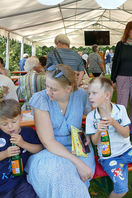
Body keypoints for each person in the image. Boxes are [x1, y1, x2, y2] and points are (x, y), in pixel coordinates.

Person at [25, 64, 95, 198]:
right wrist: (78, 163)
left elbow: (98, 117)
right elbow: (48, 141)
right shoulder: (41, 99)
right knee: (60, 176)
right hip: (50, 151)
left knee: (75, 179)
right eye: (47, 86)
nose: (47, 92)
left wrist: (88, 132)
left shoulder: (82, 95)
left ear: (68, 89)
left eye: (53, 89)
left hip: (78, 147)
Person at [86, 77, 132, 198]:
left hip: (127, 150)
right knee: (121, 189)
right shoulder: (91, 117)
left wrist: (114, 123)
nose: (90, 97)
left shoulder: (120, 110)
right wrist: (99, 130)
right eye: (89, 93)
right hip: (108, 157)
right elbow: (94, 141)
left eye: (94, 93)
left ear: (107, 95)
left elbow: (126, 134)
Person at [0, 97, 42, 198]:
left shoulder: (28, 132)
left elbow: (39, 149)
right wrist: (5, 154)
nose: (10, 127)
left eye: (14, 122)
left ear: (21, 117)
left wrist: (23, 144)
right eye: (4, 124)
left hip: (19, 181)